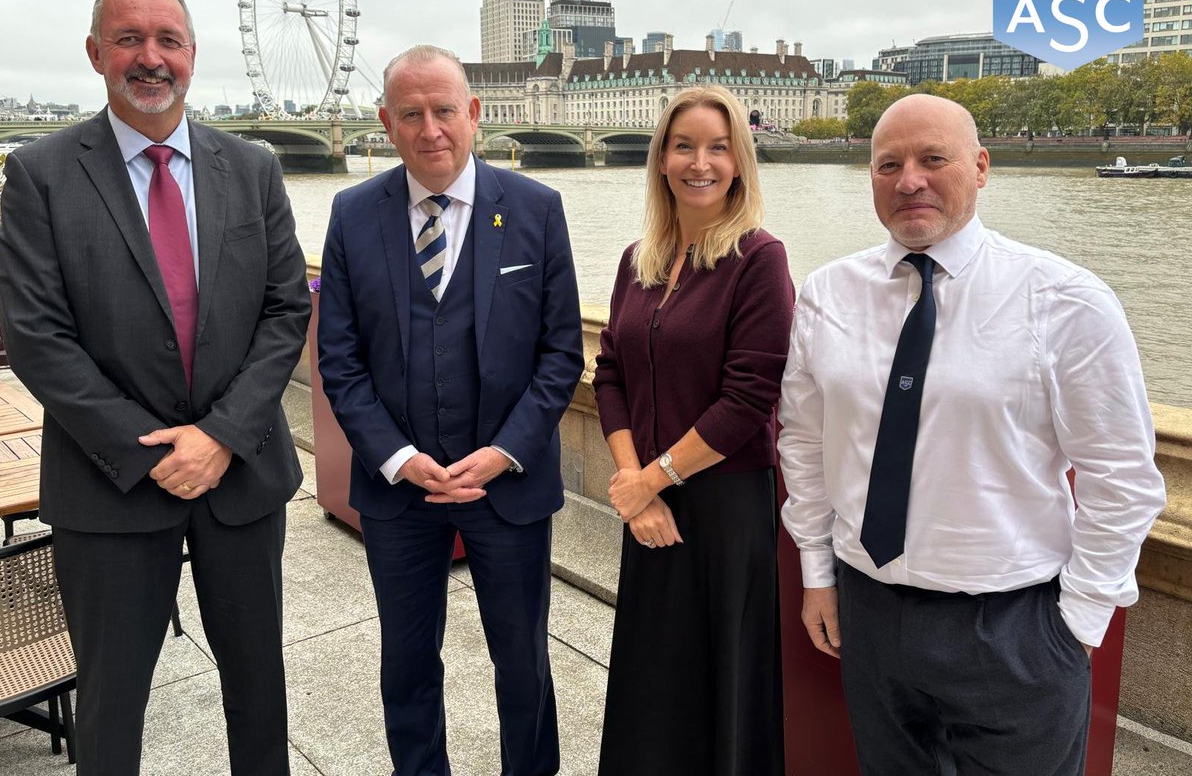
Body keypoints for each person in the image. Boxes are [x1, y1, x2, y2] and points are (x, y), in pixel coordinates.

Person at [778, 93, 1167, 775]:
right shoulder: (826, 294)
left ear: (981, 167)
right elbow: (805, 444)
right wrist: (818, 572)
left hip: (1013, 628)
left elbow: (1123, 478)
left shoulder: (1065, 299)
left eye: (934, 159)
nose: (909, 181)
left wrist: (1074, 624)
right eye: (887, 164)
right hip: (867, 609)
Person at [0, 0, 310, 776]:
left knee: (258, 687)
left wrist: (220, 437)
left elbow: (285, 313)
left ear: (193, 57)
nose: (150, 58)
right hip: (109, 488)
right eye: (130, 39)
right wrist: (152, 451)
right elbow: (36, 337)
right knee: (112, 700)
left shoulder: (253, 167)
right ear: (96, 53)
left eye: (168, 40)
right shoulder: (40, 174)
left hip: (239, 479)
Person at [316, 45, 583, 776]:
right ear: (385, 123)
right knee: (405, 660)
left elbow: (562, 355)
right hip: (400, 494)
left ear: (474, 114)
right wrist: (400, 460)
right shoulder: (350, 215)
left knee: (522, 662)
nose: (430, 128)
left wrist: (503, 453)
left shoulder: (536, 210)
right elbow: (338, 361)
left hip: (508, 487)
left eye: (443, 110)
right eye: (410, 114)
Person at [593, 85, 793, 775]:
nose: (699, 162)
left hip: (724, 505)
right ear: (661, 159)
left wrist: (650, 481)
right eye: (684, 146)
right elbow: (610, 372)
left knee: (720, 683)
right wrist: (635, 486)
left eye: (717, 147)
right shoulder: (637, 260)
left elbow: (747, 399)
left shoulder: (759, 260)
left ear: (739, 162)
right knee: (653, 679)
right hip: (648, 498)